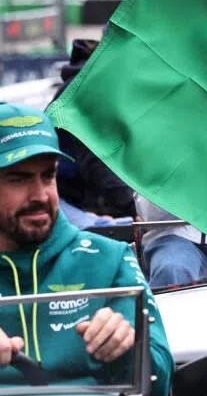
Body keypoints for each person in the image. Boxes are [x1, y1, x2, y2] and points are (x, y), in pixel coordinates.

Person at [0, 103, 173, 395]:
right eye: (19, 179)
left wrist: (129, 348)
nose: (40, 195)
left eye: (48, 176)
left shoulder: (110, 259)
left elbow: (162, 382)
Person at [48, 38, 137, 219]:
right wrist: (139, 210)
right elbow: (98, 161)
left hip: (96, 199)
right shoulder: (86, 92)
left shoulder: (116, 85)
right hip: (69, 201)